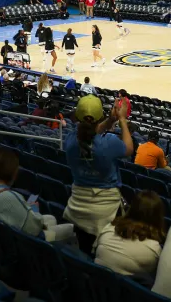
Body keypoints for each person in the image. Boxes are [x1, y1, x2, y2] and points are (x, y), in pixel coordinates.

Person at [64, 95, 133, 254]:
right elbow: (129, 149)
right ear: (100, 117)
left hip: (77, 208)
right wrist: (122, 120)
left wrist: (110, 120)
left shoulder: (70, 140)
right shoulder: (109, 142)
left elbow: (88, 133)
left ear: (77, 116)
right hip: (105, 211)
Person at [93, 190, 166, 278]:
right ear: (158, 217)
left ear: (131, 208)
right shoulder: (154, 249)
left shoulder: (108, 228)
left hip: (94, 282)